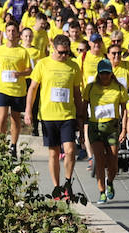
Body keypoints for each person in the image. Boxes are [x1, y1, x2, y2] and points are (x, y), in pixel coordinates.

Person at [24, 33, 86, 195]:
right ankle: (56, 186)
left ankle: (67, 182)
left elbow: (77, 93)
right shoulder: (43, 64)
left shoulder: (73, 66)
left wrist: (81, 114)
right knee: (53, 153)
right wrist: (29, 111)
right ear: (53, 49)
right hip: (48, 116)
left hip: (67, 116)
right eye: (61, 52)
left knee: (71, 150)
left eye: (67, 52)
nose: (64, 56)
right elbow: (32, 89)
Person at [84, 59, 128, 204]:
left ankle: (110, 182)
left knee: (113, 161)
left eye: (107, 73)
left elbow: (125, 109)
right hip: (95, 127)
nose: (104, 76)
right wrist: (82, 125)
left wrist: (124, 130)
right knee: (100, 159)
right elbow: (84, 106)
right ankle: (101, 191)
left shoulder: (119, 88)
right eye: (102, 73)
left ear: (111, 73)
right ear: (98, 73)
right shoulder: (90, 87)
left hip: (112, 128)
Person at [0, 21, 32, 157]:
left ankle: (13, 146)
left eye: (13, 31)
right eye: (8, 31)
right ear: (5, 33)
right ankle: (0, 144)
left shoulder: (23, 51)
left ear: (17, 33)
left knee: (15, 119)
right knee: (1, 118)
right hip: (2, 88)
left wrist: (20, 73)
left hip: (18, 90)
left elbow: (29, 70)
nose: (11, 33)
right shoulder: (0, 49)